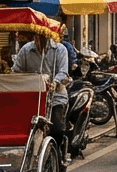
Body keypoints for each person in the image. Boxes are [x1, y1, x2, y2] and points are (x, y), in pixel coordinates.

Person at [14, 28, 76, 157]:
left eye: (42, 37)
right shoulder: (26, 49)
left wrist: (54, 82)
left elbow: (63, 72)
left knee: (57, 129)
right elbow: (16, 70)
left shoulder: (60, 49)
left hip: (55, 97)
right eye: (37, 37)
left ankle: (57, 155)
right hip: (32, 96)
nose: (39, 41)